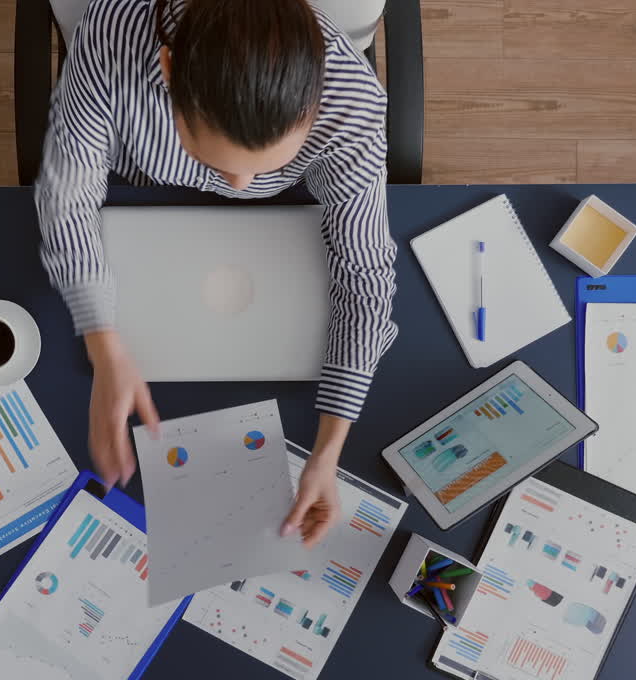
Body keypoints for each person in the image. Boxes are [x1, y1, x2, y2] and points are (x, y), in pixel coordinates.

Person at [36, 0, 397, 548]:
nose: (239, 186)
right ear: (169, 68)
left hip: (278, 225)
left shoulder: (352, 102)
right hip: (138, 188)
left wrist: (328, 450)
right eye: (215, 159)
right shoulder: (112, 33)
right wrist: (103, 345)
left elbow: (365, 275)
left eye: (266, 164)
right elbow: (68, 198)